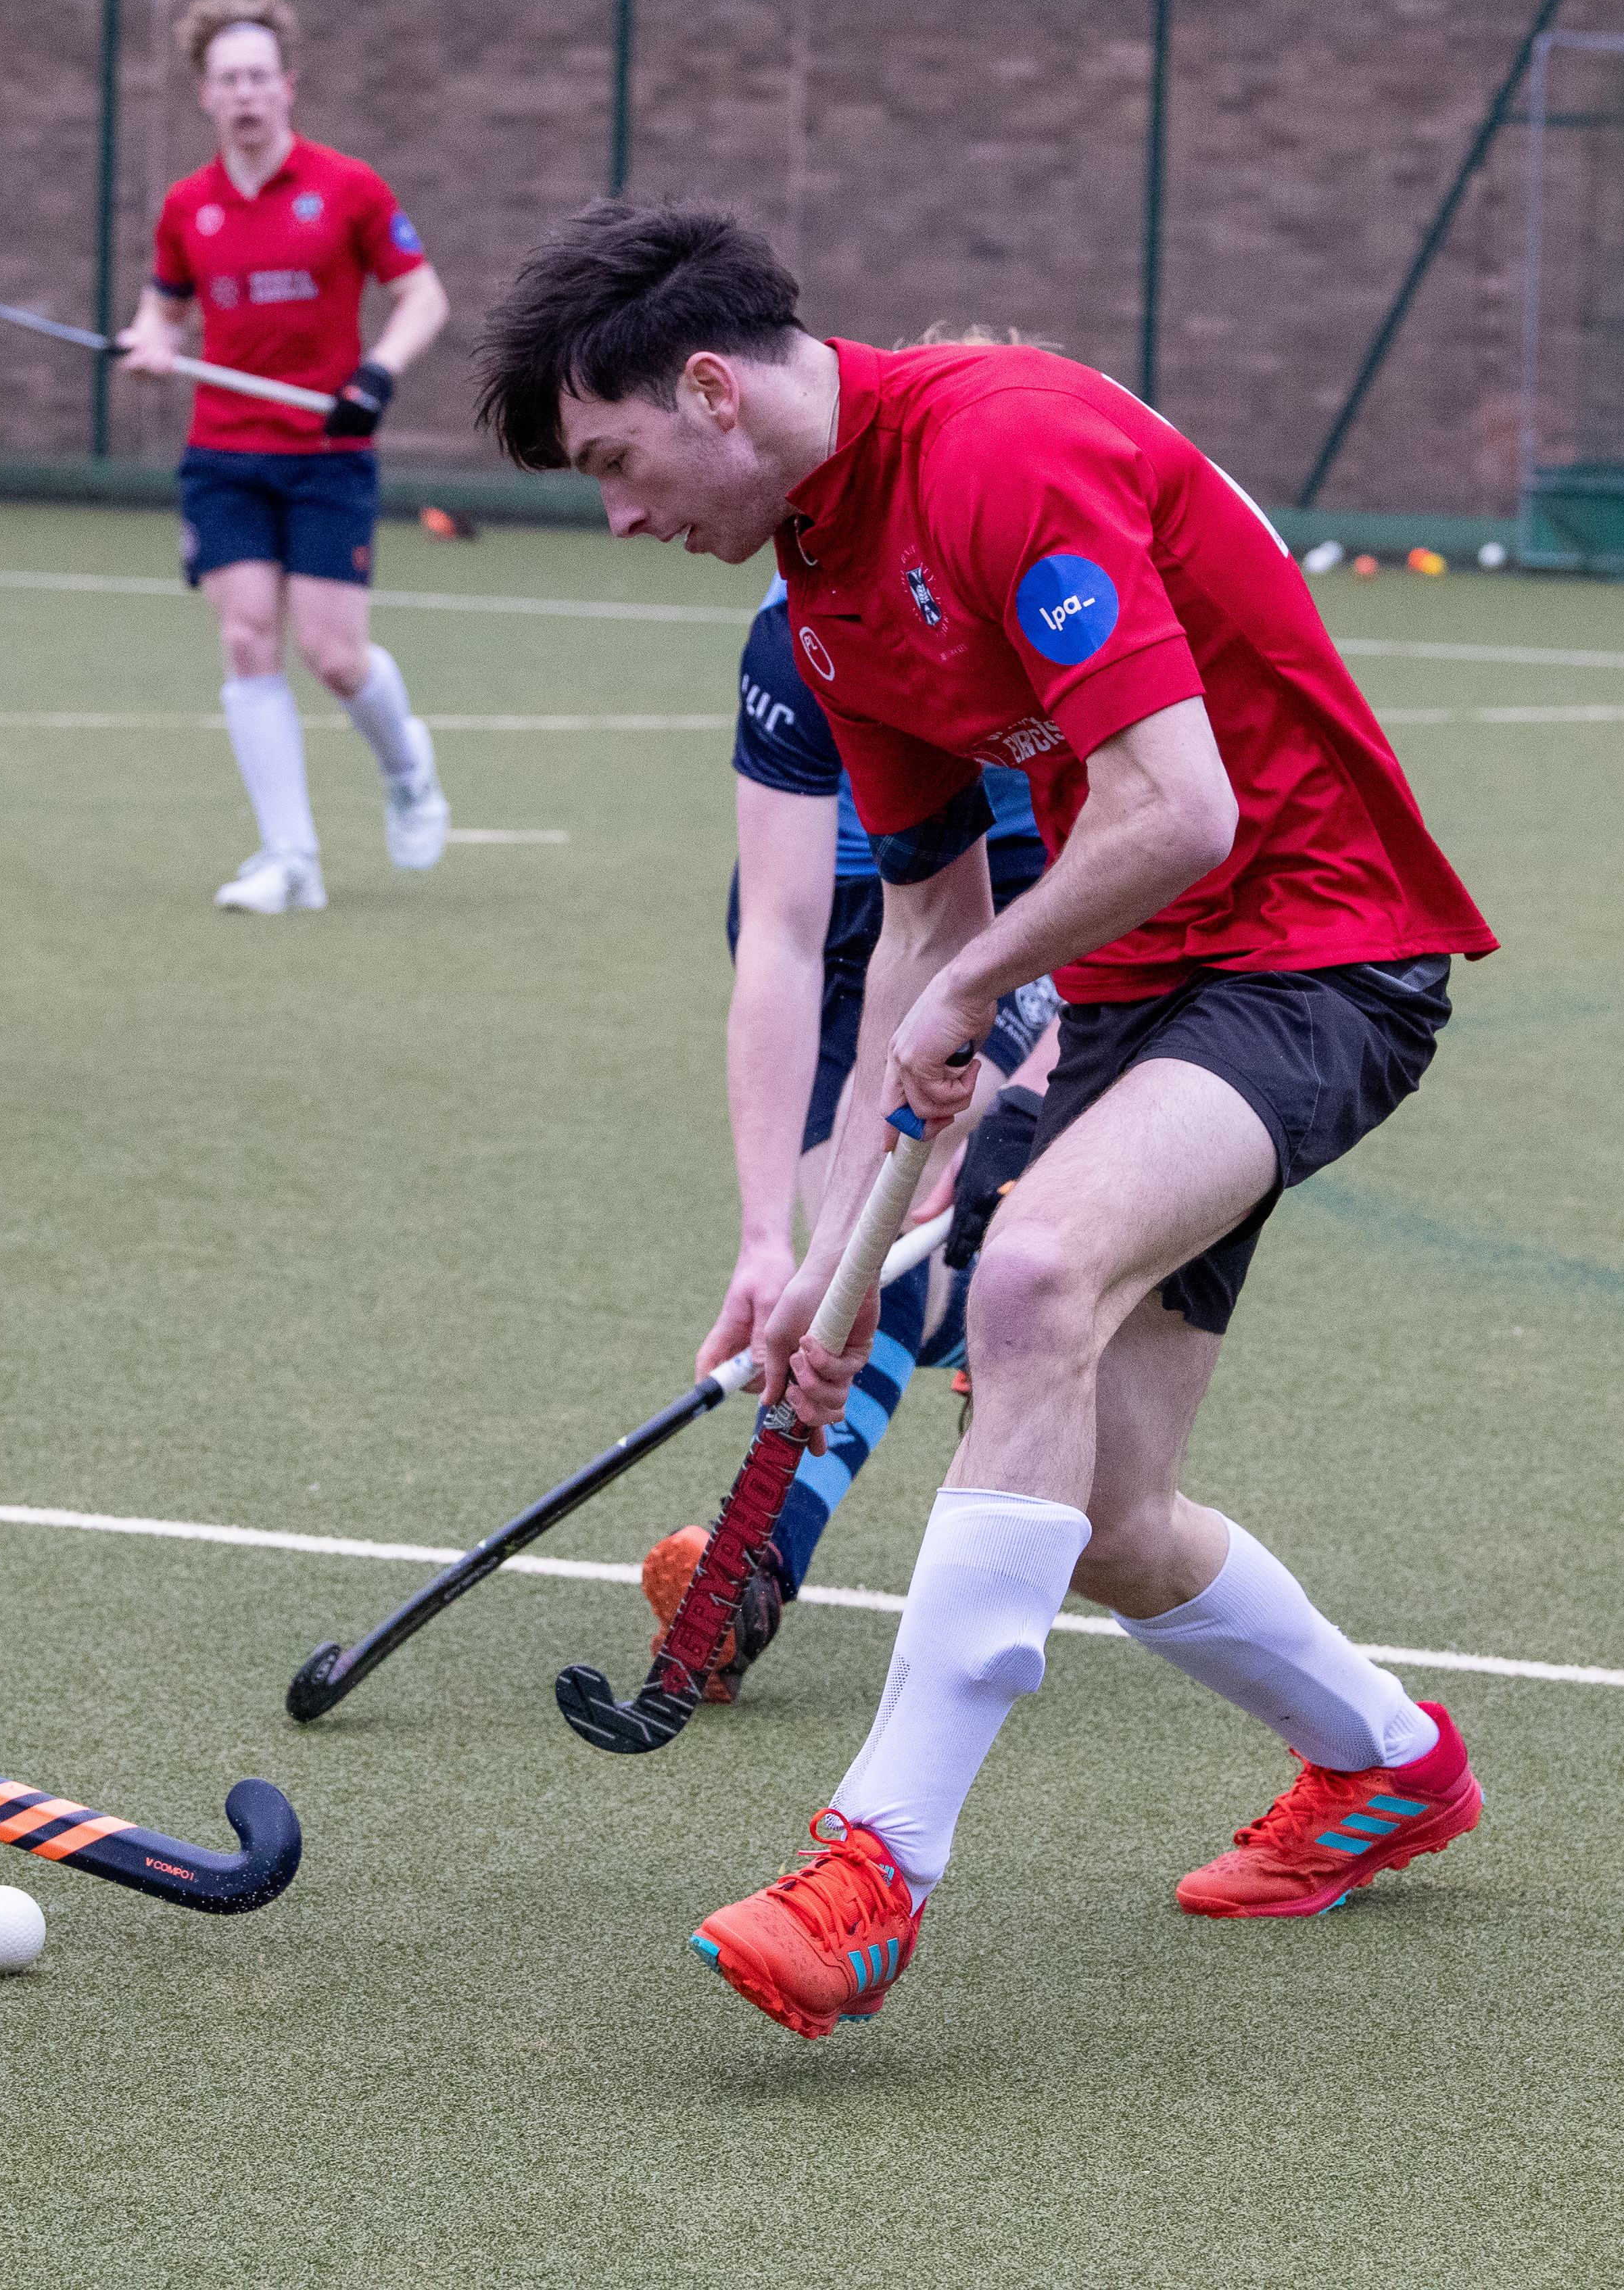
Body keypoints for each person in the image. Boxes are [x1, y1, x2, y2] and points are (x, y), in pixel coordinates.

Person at [480, 202, 1501, 2041]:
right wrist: (833, 1253)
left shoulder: (998, 446)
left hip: (1322, 950)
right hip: (1142, 995)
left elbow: (1177, 809)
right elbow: (934, 932)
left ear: (710, 391)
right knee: (1111, 1515)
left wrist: (965, 1001)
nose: (623, 515)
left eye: (619, 463)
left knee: (1029, 1282)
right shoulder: (828, 583)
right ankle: (1391, 1766)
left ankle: (873, 1866)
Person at [638, 552, 1061, 1697]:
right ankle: (971, 1333)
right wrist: (764, 1237)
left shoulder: (1050, 590)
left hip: (1018, 900)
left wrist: (1025, 1085)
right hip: (845, 925)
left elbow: (1142, 855)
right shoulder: (797, 625)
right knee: (859, 1239)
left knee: (912, 1212)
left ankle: (761, 1560)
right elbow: (776, 935)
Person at [116, 0, 453, 915]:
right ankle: (289, 858)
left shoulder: (348, 188)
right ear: (205, 96)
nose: (247, 94)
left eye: (261, 76)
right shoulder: (190, 206)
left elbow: (422, 297)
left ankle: (407, 768)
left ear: (288, 85)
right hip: (223, 452)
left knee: (336, 657)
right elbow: (165, 306)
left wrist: (377, 375)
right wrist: (150, 341)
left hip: (325, 453)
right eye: (229, 79)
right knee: (245, 636)